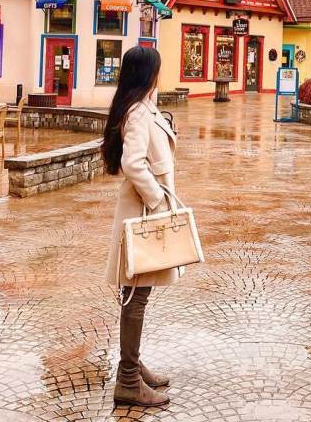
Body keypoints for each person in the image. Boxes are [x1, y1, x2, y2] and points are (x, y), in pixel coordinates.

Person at [102, 46, 179, 407]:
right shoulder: (137, 113)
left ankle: (131, 366)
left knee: (138, 293)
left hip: (146, 209)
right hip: (142, 212)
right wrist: (156, 198)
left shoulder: (143, 107)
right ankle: (129, 380)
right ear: (147, 74)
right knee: (134, 295)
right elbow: (133, 164)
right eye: (156, 71)